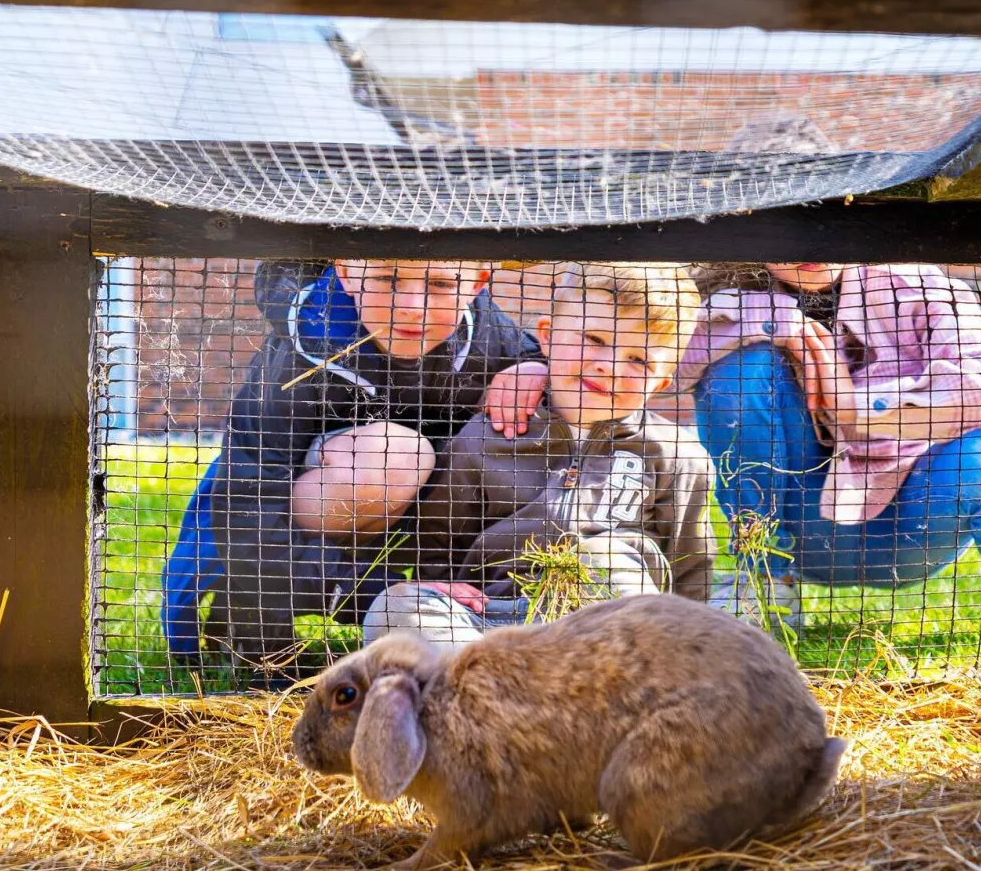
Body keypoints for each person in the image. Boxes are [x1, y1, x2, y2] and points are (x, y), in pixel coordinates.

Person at [679, 260, 981, 640]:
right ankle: (761, 585)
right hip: (799, 525)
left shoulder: (917, 285)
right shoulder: (727, 293)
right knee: (740, 372)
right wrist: (776, 323)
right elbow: (670, 365)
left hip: (910, 522)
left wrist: (857, 411)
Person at [160, 259, 549, 683]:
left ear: (476, 284)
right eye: (388, 279)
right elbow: (247, 513)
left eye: (440, 283)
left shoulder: (484, 329)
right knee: (397, 456)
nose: (412, 307)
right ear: (346, 273)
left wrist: (530, 368)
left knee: (511, 427)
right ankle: (254, 620)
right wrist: (376, 592)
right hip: (290, 524)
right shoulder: (301, 348)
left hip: (424, 519)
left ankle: (474, 611)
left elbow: (542, 358)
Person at [362, 261, 717, 651]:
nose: (610, 366)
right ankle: (483, 690)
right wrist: (444, 593)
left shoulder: (677, 455)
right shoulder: (485, 437)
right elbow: (440, 540)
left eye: (639, 360)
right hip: (493, 620)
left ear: (662, 382)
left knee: (605, 561)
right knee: (397, 607)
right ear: (546, 336)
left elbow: (688, 560)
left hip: (606, 623)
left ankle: (586, 695)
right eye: (594, 340)